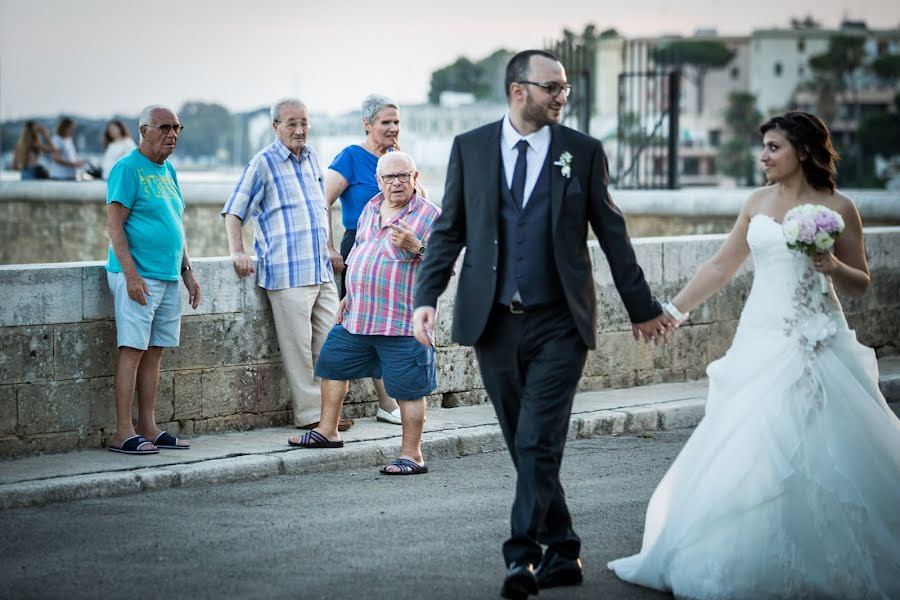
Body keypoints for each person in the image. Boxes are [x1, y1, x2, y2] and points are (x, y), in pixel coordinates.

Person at [412, 50, 674, 599]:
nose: (561, 96)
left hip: (560, 323)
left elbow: (613, 234)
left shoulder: (582, 152)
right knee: (522, 442)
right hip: (494, 324)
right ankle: (566, 551)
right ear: (518, 91)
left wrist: (642, 306)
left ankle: (521, 558)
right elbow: (450, 229)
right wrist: (426, 295)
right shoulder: (472, 148)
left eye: (565, 89)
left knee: (536, 440)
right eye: (551, 87)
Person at [608, 112, 900, 599]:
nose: (762, 157)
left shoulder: (840, 206)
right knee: (752, 438)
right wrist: (673, 311)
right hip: (761, 336)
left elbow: (862, 284)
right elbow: (722, 263)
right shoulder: (757, 202)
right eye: (763, 147)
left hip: (819, 335)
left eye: (773, 147)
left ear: (802, 151)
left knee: (828, 444)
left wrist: (831, 264)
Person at [290, 151, 440, 475]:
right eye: (389, 177)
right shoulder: (371, 208)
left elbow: (451, 266)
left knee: (409, 389)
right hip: (359, 315)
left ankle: (412, 455)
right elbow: (358, 251)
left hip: (403, 322)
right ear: (379, 180)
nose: (396, 182)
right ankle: (327, 432)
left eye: (403, 176)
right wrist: (348, 295)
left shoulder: (431, 216)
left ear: (415, 178)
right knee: (332, 365)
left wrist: (418, 247)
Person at [223, 98, 352, 433]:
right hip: (287, 273)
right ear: (275, 126)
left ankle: (329, 413)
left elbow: (321, 211)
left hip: (320, 268)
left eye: (304, 122)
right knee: (298, 353)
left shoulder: (311, 158)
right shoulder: (262, 163)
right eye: (291, 123)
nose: (299, 129)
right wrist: (237, 251)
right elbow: (234, 210)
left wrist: (330, 246)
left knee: (331, 346)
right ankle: (311, 415)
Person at [105, 105, 200, 455]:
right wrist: (130, 275)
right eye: (164, 127)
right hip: (139, 277)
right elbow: (114, 225)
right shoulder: (127, 168)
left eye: (177, 127)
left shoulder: (168, 170)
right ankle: (122, 431)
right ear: (144, 131)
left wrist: (187, 271)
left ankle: (148, 425)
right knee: (132, 350)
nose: (172, 134)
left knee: (155, 352)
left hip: (168, 276)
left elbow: (177, 225)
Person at [325, 94, 403, 425]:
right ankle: (383, 404)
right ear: (367, 124)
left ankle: (389, 403)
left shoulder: (397, 160)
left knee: (387, 326)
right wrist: (329, 249)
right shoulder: (351, 157)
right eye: (385, 122)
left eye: (396, 122)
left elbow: (420, 201)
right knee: (359, 327)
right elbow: (320, 202)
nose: (392, 127)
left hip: (395, 251)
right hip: (358, 248)